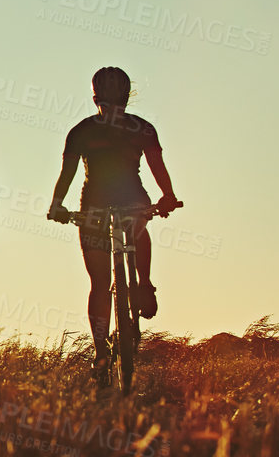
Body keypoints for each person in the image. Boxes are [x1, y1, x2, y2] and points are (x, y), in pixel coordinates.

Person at [47, 66, 182, 373]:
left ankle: (100, 353)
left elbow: (67, 174)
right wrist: (169, 197)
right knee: (138, 224)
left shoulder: (81, 131)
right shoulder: (142, 128)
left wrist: (57, 206)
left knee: (99, 284)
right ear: (127, 96)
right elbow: (158, 167)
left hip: (93, 202)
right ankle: (143, 284)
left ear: (95, 97)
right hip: (131, 197)